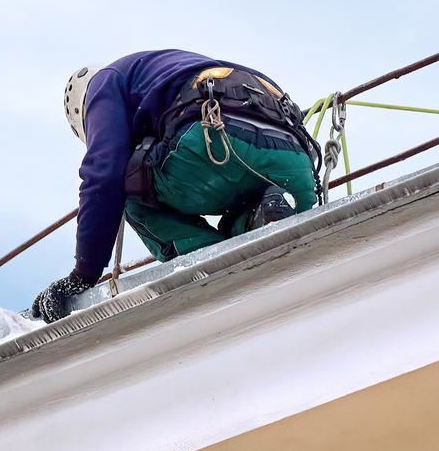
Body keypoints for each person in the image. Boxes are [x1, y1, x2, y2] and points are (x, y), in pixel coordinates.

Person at [30, 50, 322, 322]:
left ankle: (210, 262)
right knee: (240, 212)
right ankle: (265, 213)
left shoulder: (103, 83)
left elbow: (103, 172)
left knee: (126, 189)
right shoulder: (169, 68)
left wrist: (83, 275)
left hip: (214, 140)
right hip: (295, 162)